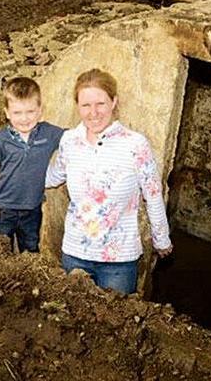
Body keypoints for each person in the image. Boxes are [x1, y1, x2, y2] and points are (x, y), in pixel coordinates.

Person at [46, 68, 172, 294]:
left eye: (100, 104)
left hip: (119, 260)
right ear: (77, 106)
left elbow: (152, 195)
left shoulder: (135, 144)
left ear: (113, 102)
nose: (93, 113)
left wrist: (161, 239)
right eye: (85, 105)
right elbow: (54, 176)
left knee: (114, 324)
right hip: (75, 253)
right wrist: (12, 172)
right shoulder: (69, 140)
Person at [0, 76, 63, 253]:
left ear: (40, 110)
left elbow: (73, 137)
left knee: (31, 250)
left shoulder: (49, 134)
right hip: (4, 208)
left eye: (30, 111)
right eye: (17, 113)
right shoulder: (1, 139)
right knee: (1, 250)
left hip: (32, 209)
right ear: (6, 113)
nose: (24, 118)